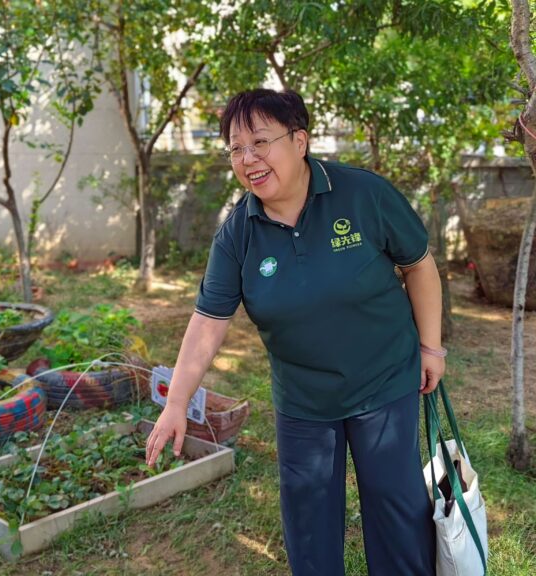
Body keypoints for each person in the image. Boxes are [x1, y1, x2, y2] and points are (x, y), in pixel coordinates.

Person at [145, 88, 444, 575]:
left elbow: (419, 266)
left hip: (384, 382)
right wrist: (177, 402)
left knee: (397, 511)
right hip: (304, 401)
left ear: (300, 141)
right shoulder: (238, 232)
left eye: (260, 142)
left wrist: (431, 347)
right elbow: (207, 321)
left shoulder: (364, 194)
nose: (248, 159)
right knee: (309, 526)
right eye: (236, 148)